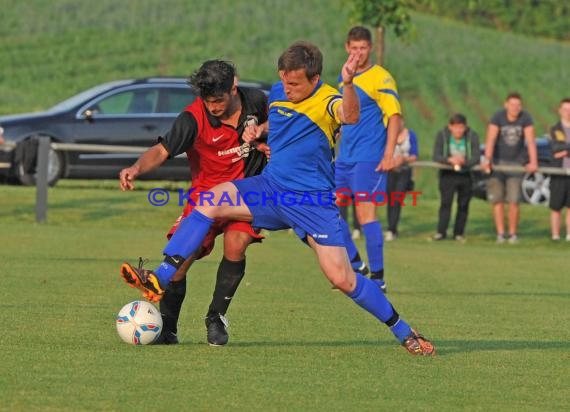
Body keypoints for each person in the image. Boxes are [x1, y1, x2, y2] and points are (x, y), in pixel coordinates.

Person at [120, 41, 435, 356]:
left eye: (295, 83)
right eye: (284, 81)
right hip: (270, 188)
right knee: (209, 199)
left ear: (315, 78)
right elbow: (283, 119)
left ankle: (405, 331)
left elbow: (350, 116)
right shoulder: (279, 92)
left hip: (311, 203)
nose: (288, 88)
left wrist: (349, 83)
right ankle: (160, 278)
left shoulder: (329, 100)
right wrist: (259, 131)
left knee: (342, 279)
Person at [118, 60, 269, 346]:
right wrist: (136, 169)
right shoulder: (192, 118)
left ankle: (216, 317)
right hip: (206, 199)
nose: (213, 107)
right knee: (181, 261)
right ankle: (168, 329)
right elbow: (161, 151)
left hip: (246, 195)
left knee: (236, 244)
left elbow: (286, 120)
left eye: (219, 100)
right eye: (208, 101)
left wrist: (268, 141)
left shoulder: (257, 102)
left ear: (233, 86)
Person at [334, 26, 402, 292]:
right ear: (347, 48)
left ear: (370, 48)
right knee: (329, 208)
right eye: (354, 48)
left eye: (363, 48)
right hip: (345, 157)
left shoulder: (381, 77)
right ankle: (356, 264)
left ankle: (378, 277)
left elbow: (394, 116)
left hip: (369, 158)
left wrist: (388, 154)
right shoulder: (345, 79)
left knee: (365, 215)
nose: (358, 53)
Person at [481, 92, 538, 244]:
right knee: (497, 200)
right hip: (498, 163)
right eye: (512, 105)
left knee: (514, 200)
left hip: (516, 164)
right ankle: (500, 233)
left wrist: (533, 162)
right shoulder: (498, 117)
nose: (515, 108)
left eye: (518, 105)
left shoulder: (525, 118)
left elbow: (531, 141)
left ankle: (512, 233)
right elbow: (491, 139)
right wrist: (487, 159)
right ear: (506, 105)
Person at [431, 113, 480, 242]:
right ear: (450, 127)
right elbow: (436, 156)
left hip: (465, 174)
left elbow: (476, 157)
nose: (459, 131)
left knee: (463, 204)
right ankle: (441, 232)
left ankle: (458, 233)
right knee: (445, 203)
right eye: (456, 127)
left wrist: (464, 162)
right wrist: (449, 160)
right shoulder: (442, 135)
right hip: (448, 174)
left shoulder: (472, 136)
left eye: (461, 127)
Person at [385, 121, 418, 241]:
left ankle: (392, 229)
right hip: (390, 171)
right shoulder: (386, 135)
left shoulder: (410, 135)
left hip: (404, 172)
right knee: (390, 200)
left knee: (397, 200)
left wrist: (404, 159)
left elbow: (415, 155)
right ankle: (391, 228)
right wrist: (390, 162)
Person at [548, 98, 570, 241]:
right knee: (556, 206)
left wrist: (564, 150)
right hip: (559, 172)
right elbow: (555, 150)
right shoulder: (555, 129)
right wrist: (566, 150)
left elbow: (561, 149)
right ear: (560, 111)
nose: (568, 112)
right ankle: (555, 236)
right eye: (565, 109)